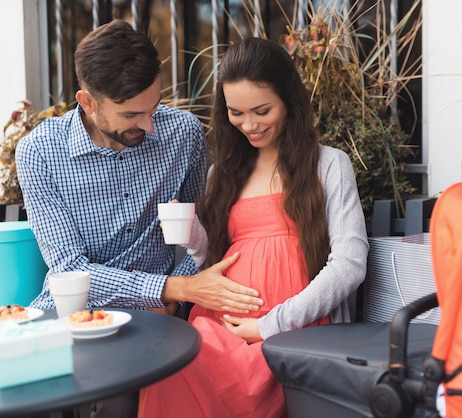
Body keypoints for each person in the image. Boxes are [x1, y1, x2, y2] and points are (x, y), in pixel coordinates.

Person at [15, 20, 263, 418]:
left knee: (124, 388)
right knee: (24, 388)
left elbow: (203, 231)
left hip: (164, 318)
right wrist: (169, 289)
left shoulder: (182, 133)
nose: (149, 124)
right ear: (87, 101)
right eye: (132, 114)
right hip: (78, 312)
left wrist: (174, 297)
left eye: (154, 106)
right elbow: (69, 269)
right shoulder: (40, 153)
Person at [138, 37, 370, 417]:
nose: (249, 125)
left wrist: (270, 325)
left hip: (296, 330)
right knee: (168, 364)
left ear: (289, 102)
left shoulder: (328, 165)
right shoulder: (223, 174)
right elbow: (212, 259)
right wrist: (194, 234)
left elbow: (350, 264)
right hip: (221, 326)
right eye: (235, 112)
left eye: (262, 110)